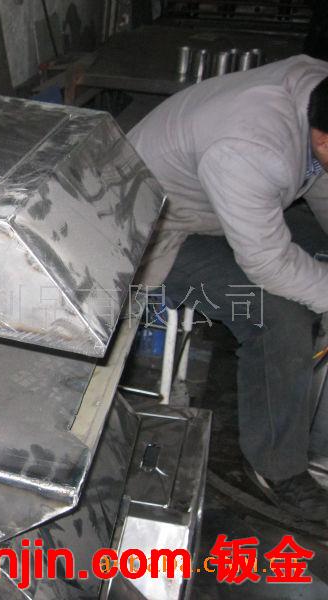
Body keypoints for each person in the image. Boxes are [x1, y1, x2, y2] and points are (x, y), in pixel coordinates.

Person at [128, 55, 328, 521]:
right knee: (279, 317)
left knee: (313, 261)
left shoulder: (317, 95)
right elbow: (269, 263)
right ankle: (276, 467)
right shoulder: (250, 147)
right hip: (156, 228)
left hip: (219, 203)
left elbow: (319, 182)